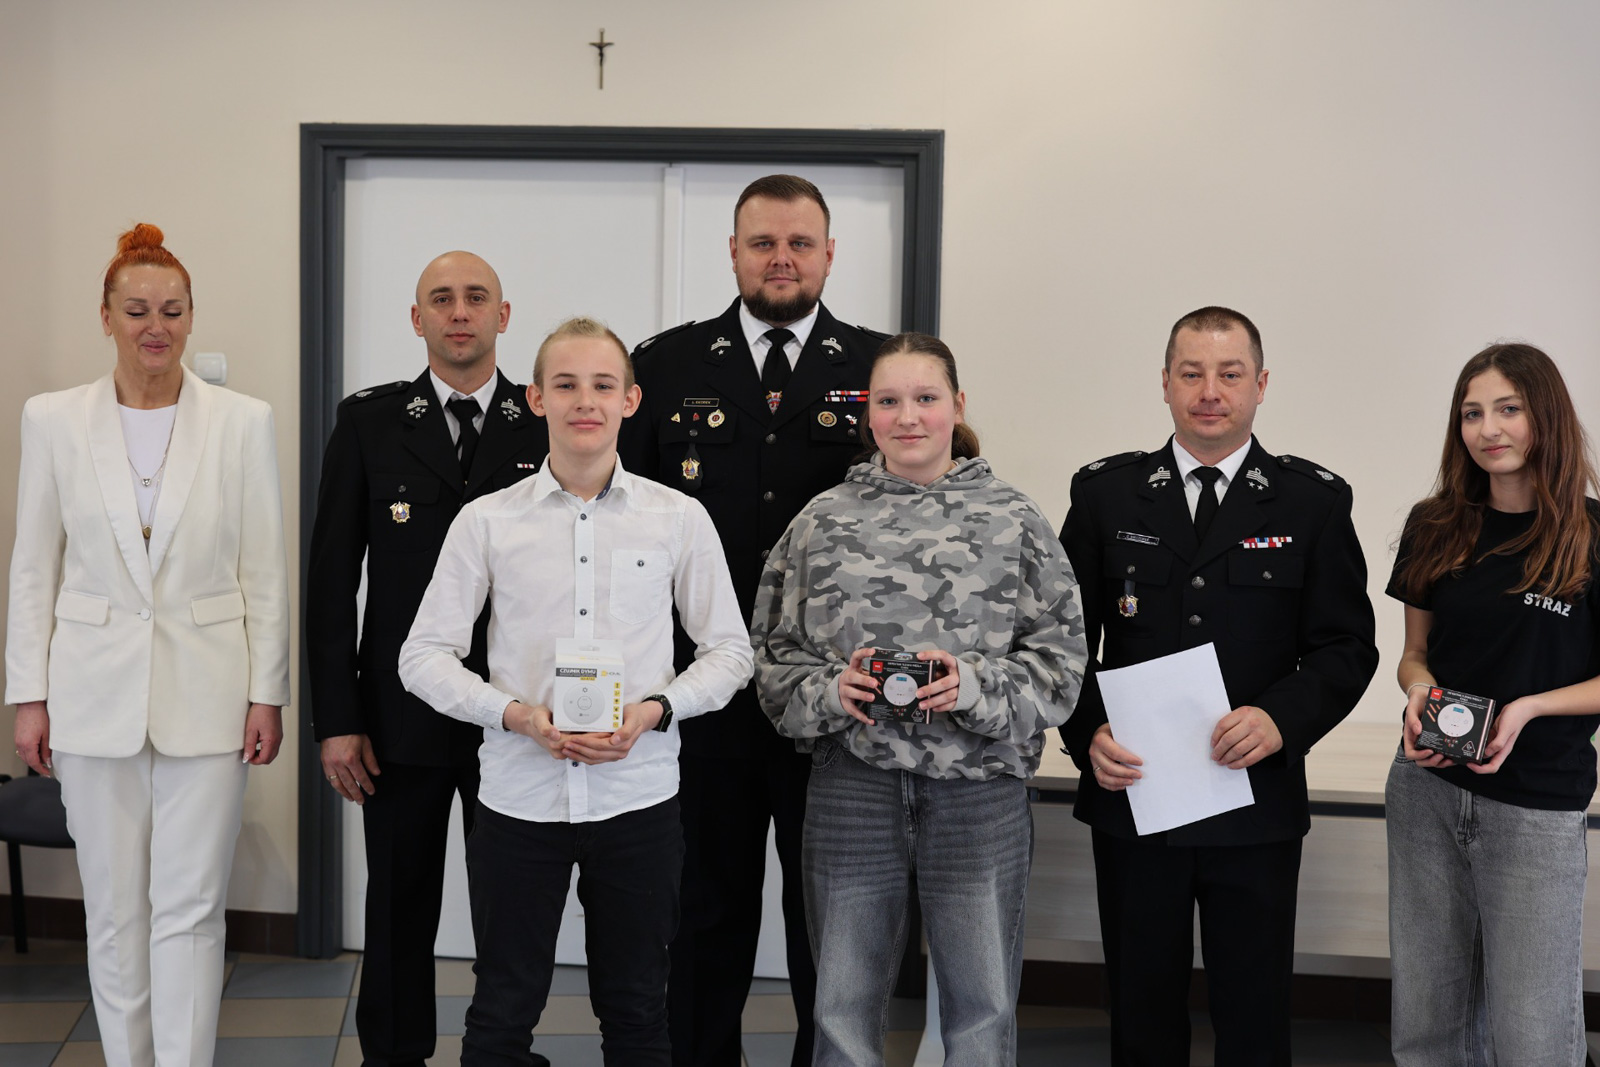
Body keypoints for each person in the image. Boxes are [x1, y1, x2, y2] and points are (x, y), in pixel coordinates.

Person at [398, 317, 754, 1065]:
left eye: (602, 385)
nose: (584, 401)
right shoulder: (487, 521)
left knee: (638, 1013)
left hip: (638, 800)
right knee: (500, 1013)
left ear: (631, 400)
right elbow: (422, 656)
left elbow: (729, 652)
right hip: (519, 801)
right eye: (565, 385)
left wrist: (656, 711)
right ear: (536, 398)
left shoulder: (677, 518)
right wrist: (514, 715)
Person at [751, 332, 1086, 1063]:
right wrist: (831, 690)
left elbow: (1061, 666)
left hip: (979, 788)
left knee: (981, 1008)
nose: (908, 417)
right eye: (889, 401)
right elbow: (770, 660)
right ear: (867, 415)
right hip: (853, 786)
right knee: (841, 1007)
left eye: (926, 398)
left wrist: (974, 686)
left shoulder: (1015, 520)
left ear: (957, 406)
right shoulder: (820, 522)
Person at [1058, 306, 1378, 1066]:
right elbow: (1060, 640)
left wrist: (1279, 719)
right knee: (1140, 1014)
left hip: (1254, 800)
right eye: (1192, 373)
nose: (1210, 391)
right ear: (1165, 383)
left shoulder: (1311, 502)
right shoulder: (1107, 495)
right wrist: (1087, 732)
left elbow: (1345, 646)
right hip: (1136, 797)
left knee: (1254, 1015)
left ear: (1260, 385)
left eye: (1230, 374)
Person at [6, 224, 289, 1067]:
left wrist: (267, 692)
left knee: (191, 907)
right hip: (90, 696)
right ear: (106, 316)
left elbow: (265, 569)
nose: (154, 326)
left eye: (171, 310)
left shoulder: (242, 422)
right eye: (136, 310)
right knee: (114, 911)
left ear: (192, 316)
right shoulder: (53, 419)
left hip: (211, 694)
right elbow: (33, 567)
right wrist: (29, 696)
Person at [620, 174, 887, 1065]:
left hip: (835, 697)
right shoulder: (666, 367)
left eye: (799, 243)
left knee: (829, 921)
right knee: (704, 912)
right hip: (706, 691)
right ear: (733, 252)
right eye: (763, 243)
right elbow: (624, 517)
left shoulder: (879, 370)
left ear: (829, 254)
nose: (781, 259)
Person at [306, 251, 549, 1067]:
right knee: (398, 904)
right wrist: (336, 719)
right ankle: (393, 1056)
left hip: (513, 713)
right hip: (398, 718)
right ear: (417, 319)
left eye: (476, 297)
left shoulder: (542, 420)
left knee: (507, 906)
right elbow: (332, 581)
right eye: (441, 299)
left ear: (503, 316)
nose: (459, 312)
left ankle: (499, 1052)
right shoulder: (369, 422)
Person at [1385, 343, 1600, 1066]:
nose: (1488, 429)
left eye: (1508, 409)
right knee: (1427, 1023)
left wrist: (1529, 708)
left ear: (1546, 416)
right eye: (1472, 413)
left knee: (1535, 1034)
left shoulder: (1592, 537)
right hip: (1427, 788)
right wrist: (1418, 689)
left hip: (1536, 803)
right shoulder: (1435, 525)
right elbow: (1414, 654)